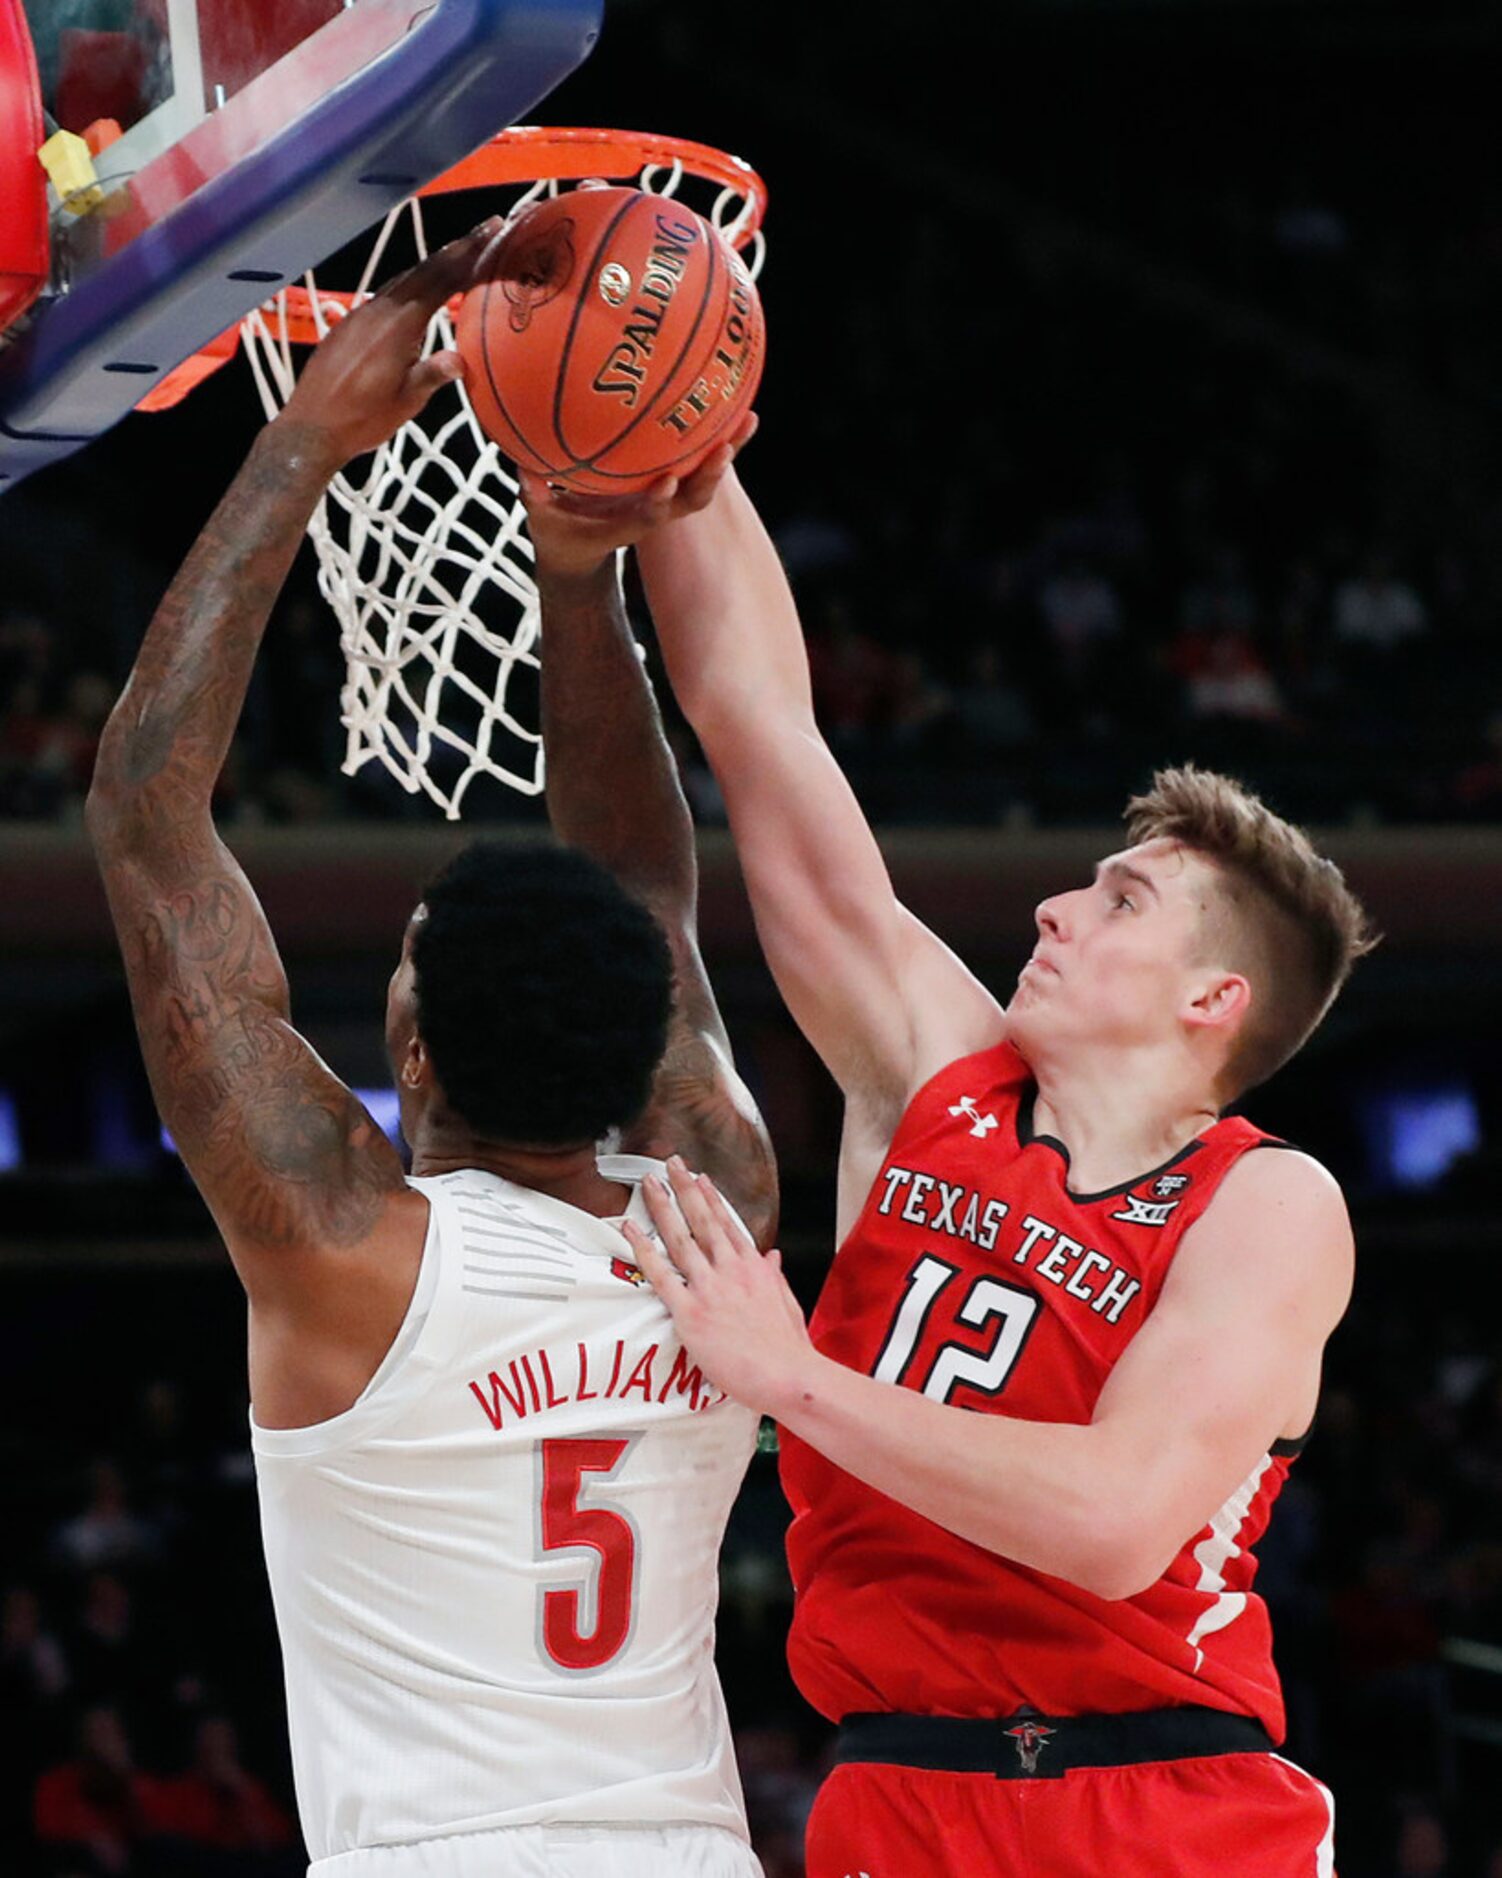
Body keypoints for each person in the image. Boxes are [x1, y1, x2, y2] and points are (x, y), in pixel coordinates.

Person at [540, 467, 1374, 1877]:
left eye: (1120, 901)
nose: (1055, 904)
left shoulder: (1265, 1203)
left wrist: (787, 1372)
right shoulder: (937, 1070)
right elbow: (758, 728)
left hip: (1166, 1801)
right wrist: (688, 451)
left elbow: (1110, 1522)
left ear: (1210, 999)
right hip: (897, 1790)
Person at [85, 228, 775, 1878]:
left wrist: (302, 445)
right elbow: (647, 900)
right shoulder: (711, 1210)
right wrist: (569, 568)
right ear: (644, 1054)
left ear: (406, 1044)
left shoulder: (348, 1246)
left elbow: (145, 814)